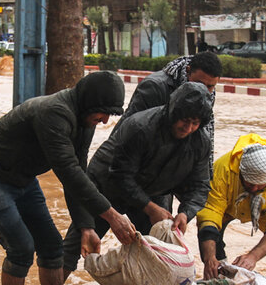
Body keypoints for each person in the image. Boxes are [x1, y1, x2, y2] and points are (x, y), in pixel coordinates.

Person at [0, 70, 137, 285]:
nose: (104, 120)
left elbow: (77, 173)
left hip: (22, 178)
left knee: (53, 247)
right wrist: (111, 216)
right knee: (21, 248)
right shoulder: (54, 112)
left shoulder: (84, 122)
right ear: (88, 102)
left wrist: (86, 226)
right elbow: (67, 170)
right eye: (102, 112)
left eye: (109, 114)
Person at [62, 81, 213, 274]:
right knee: (78, 244)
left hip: (154, 190)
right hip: (108, 183)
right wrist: (150, 208)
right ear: (174, 112)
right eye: (185, 120)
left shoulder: (201, 141)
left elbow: (200, 186)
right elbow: (121, 176)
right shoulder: (141, 127)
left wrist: (185, 213)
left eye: (195, 123)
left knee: (160, 252)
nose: (188, 128)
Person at [195, 133, 266, 285]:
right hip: (227, 205)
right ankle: (220, 278)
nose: (254, 188)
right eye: (249, 183)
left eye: (259, 185)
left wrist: (253, 256)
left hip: (264, 209)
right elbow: (210, 212)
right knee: (209, 236)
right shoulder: (222, 169)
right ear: (240, 171)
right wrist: (209, 259)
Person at [121, 51, 222, 183]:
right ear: (188, 71)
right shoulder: (155, 87)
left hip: (175, 160)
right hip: (141, 165)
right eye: (199, 83)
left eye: (210, 86)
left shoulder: (207, 95)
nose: (203, 89)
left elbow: (200, 135)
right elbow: (128, 130)